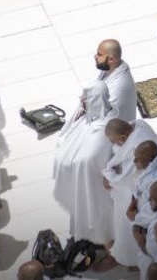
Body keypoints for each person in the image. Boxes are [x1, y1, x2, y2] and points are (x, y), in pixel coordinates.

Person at [53, 81, 117, 244]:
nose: (81, 100)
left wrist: (74, 160)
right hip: (80, 180)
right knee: (81, 209)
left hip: (95, 183)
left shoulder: (107, 127)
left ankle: (104, 243)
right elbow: (67, 134)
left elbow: (90, 158)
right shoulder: (86, 115)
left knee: (100, 216)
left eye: (86, 98)